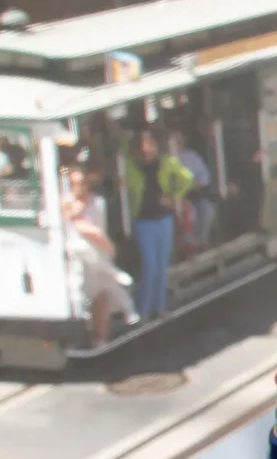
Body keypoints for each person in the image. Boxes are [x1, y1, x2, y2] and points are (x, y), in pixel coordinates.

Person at [62, 166, 135, 346]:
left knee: (102, 294)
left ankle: (101, 337)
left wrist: (106, 245)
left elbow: (97, 228)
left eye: (82, 183)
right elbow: (75, 223)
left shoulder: (98, 202)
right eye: (75, 183)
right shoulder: (67, 202)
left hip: (97, 250)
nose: (79, 187)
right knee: (80, 290)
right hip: (76, 255)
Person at [123, 130, 193, 317]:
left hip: (163, 219)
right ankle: (144, 310)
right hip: (143, 221)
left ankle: (160, 307)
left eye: (149, 144)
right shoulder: (130, 166)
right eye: (141, 145)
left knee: (162, 265)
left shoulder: (166, 162)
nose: (145, 149)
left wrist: (173, 197)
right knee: (150, 264)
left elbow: (187, 178)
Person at [170, 130, 218, 253]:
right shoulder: (167, 160)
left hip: (196, 195)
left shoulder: (191, 156)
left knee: (208, 210)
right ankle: (190, 248)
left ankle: (202, 243)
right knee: (190, 213)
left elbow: (205, 176)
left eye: (178, 139)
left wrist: (197, 183)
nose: (177, 142)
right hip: (177, 200)